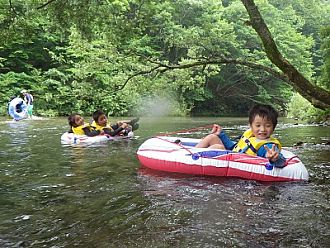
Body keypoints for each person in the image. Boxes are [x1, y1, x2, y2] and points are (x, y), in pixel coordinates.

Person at [195, 104, 286, 168]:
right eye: (258, 125)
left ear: (273, 127)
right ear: (251, 126)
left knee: (218, 147)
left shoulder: (268, 146)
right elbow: (234, 147)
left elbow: (281, 161)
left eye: (268, 126)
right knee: (212, 137)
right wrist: (221, 134)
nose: (262, 130)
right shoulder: (250, 136)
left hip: (235, 162)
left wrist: (275, 158)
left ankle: (196, 160)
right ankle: (190, 153)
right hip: (232, 155)